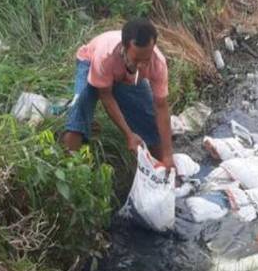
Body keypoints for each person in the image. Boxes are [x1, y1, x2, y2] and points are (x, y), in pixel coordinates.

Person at [62, 18, 174, 170]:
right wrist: (129, 135)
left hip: (125, 76)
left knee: (148, 118)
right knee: (82, 104)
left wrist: (168, 156)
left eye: (146, 60)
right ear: (124, 48)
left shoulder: (157, 64)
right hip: (91, 62)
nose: (141, 65)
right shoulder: (105, 56)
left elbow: (161, 107)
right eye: (137, 59)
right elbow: (106, 96)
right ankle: (68, 168)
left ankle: (162, 169)